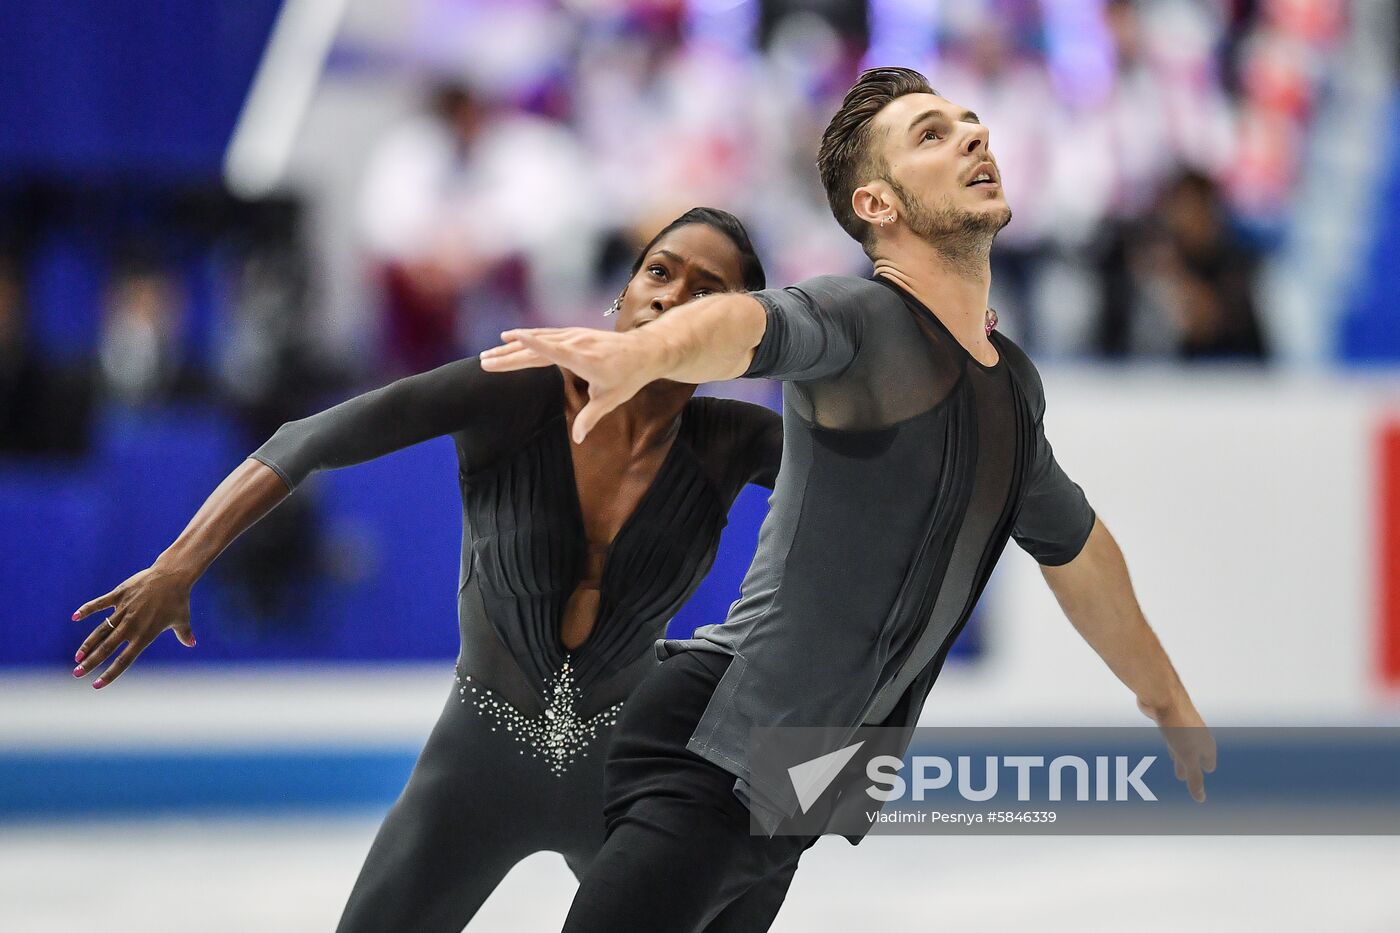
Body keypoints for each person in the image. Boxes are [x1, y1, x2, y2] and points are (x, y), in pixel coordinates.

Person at [481, 68, 1217, 932]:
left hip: (799, 784)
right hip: (716, 745)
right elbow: (746, 328)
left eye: (972, 122)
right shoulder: (862, 317)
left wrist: (1164, 695)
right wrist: (646, 352)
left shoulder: (1011, 385)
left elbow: (1076, 546)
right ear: (878, 204)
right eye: (932, 135)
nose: (975, 137)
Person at [70, 208, 794, 932]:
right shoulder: (516, 388)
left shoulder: (733, 442)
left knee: (775, 840)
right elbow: (308, 438)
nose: (671, 297)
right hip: (474, 771)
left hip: (621, 777)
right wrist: (179, 563)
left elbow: (887, 487)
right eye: (660, 272)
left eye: (706, 293)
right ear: (623, 294)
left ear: (734, 337)